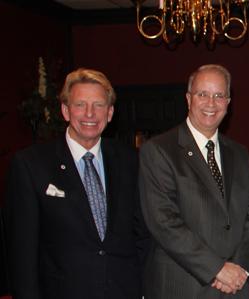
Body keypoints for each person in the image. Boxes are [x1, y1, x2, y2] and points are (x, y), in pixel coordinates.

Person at [4, 68, 149, 299]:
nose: (90, 114)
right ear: (65, 110)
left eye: (99, 105)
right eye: (80, 104)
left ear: (110, 113)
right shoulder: (31, 165)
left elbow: (142, 233)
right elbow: (22, 253)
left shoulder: (132, 160)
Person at [138, 64, 249, 298]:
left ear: (228, 102)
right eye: (202, 94)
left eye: (219, 95)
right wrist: (217, 269)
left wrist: (240, 267)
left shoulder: (239, 153)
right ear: (188, 98)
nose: (211, 103)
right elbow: (164, 222)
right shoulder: (159, 151)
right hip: (183, 286)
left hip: (234, 287)